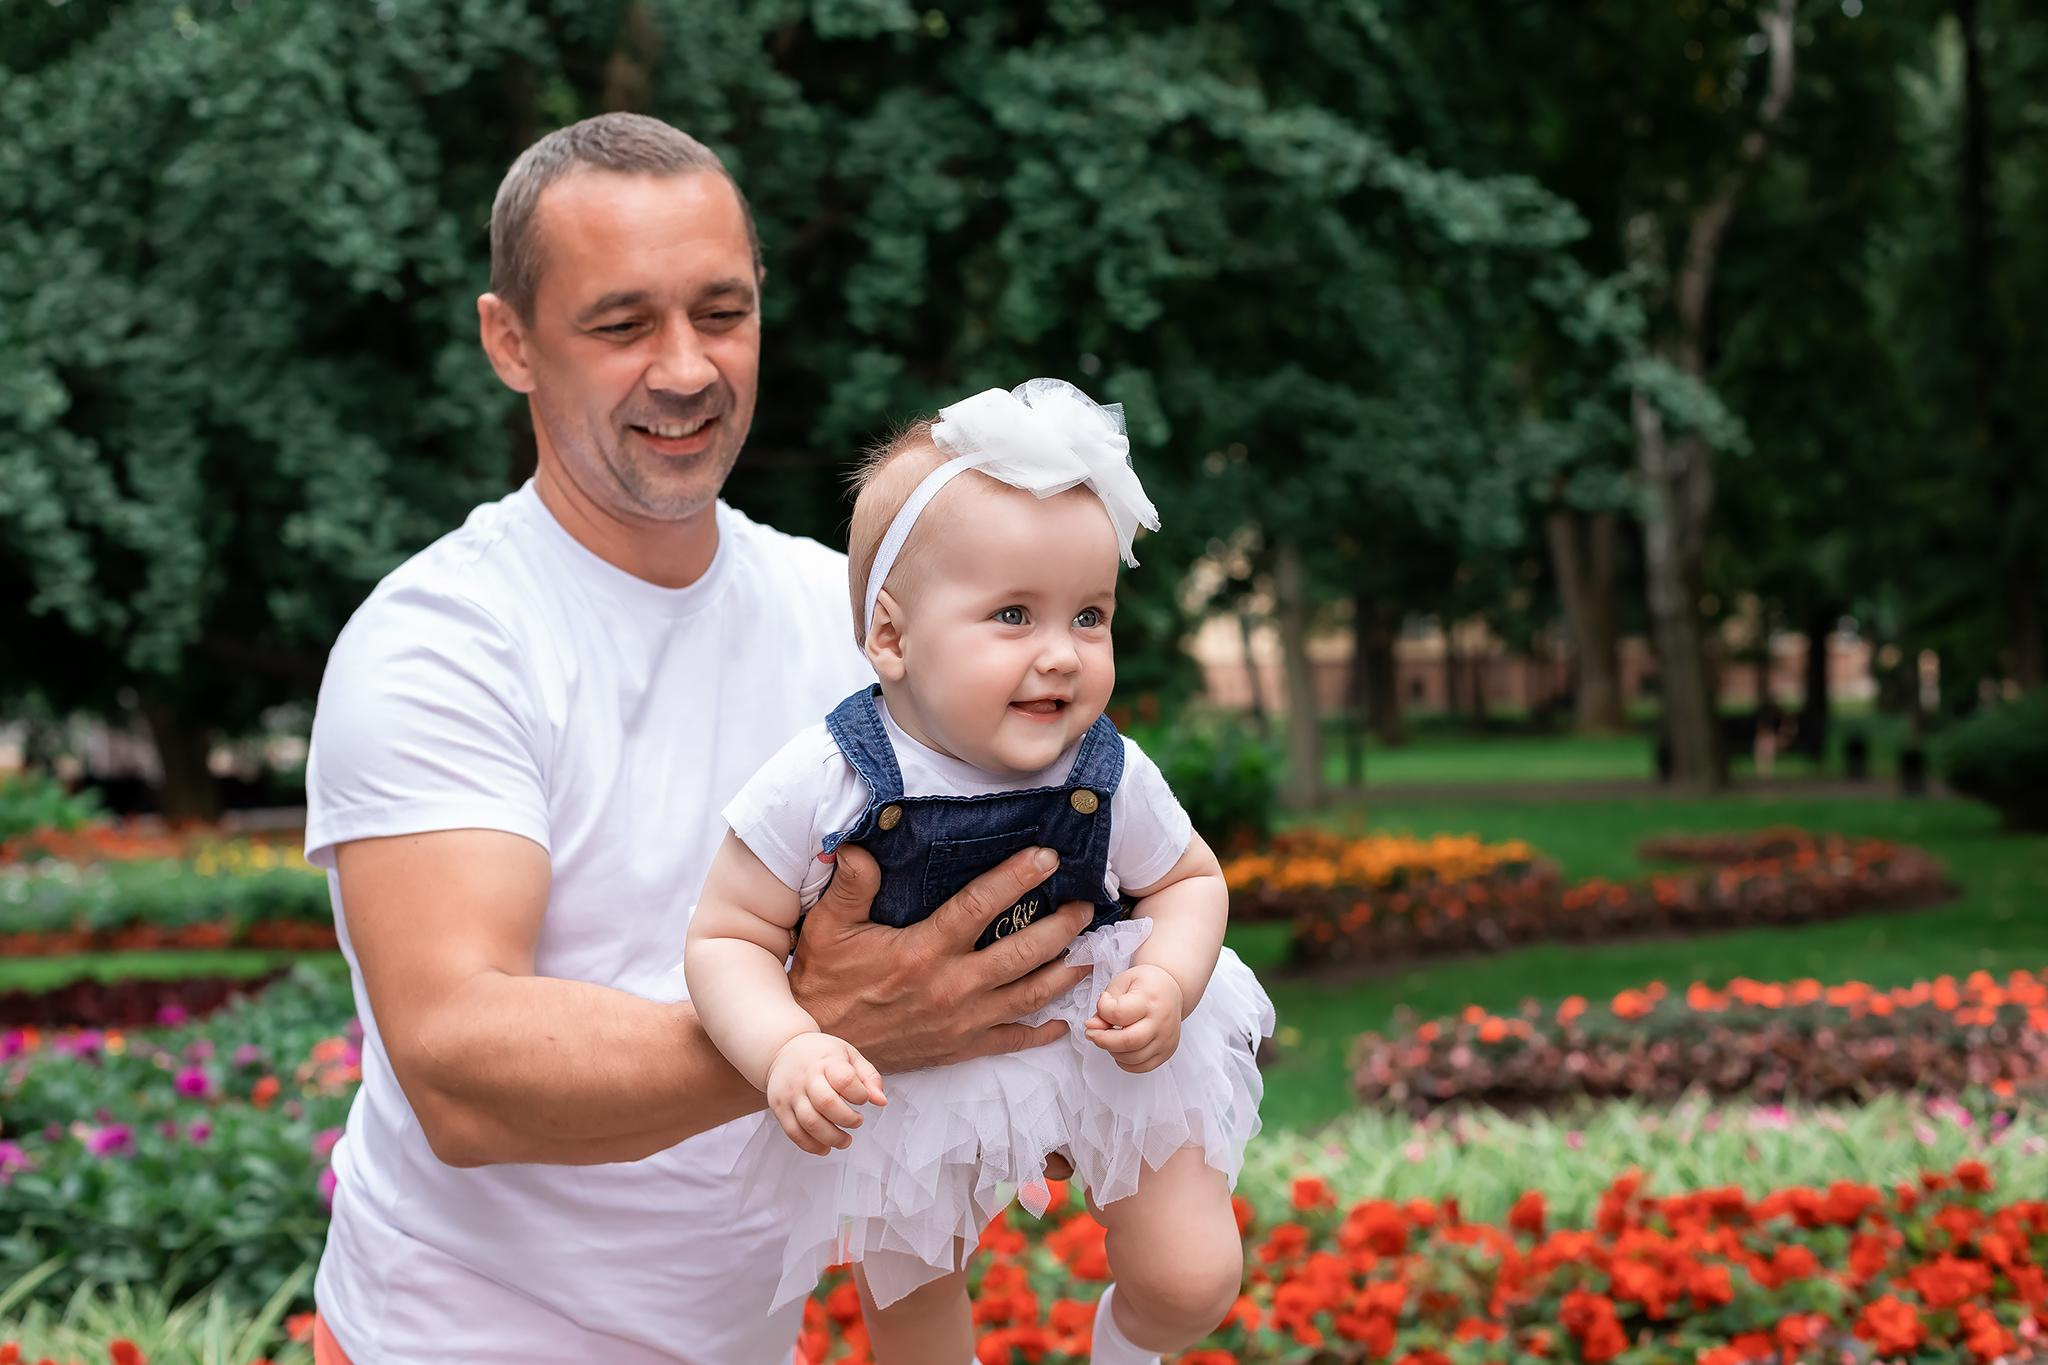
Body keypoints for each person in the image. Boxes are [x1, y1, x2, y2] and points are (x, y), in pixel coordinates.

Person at [301, 114, 1099, 1365]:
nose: (685, 368)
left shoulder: (848, 622)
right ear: (509, 341)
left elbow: (960, 946)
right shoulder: (441, 643)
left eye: (720, 313)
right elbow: (457, 1069)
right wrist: (817, 1029)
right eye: (620, 326)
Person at [686, 380, 1276, 1365]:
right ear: (890, 636)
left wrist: (1167, 981)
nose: (1061, 655)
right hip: (904, 1070)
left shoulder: (1108, 767)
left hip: (1097, 1031)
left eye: (1089, 616)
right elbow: (725, 937)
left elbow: (1188, 881)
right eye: (1013, 615)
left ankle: (1132, 1347)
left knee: (1192, 1275)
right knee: (913, 1314)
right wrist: (785, 1046)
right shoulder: (826, 776)